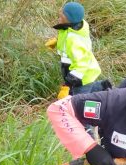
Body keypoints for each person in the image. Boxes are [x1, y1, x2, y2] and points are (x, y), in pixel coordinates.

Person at [45, 2, 110, 137]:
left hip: (82, 77)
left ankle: (88, 133)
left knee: (78, 105)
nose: (59, 13)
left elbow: (81, 64)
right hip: (87, 74)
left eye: (62, 12)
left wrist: (68, 84)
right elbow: (67, 35)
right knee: (86, 93)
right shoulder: (75, 27)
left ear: (68, 18)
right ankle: (102, 87)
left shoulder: (74, 40)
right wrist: (58, 42)